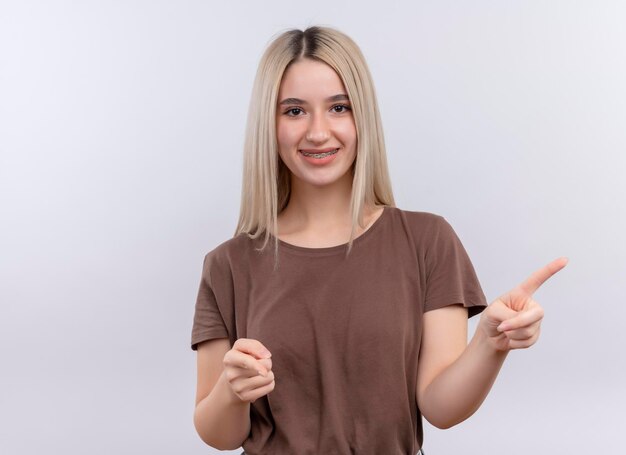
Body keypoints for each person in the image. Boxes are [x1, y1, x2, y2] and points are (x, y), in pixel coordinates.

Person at [190, 26, 568, 455]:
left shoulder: (427, 240)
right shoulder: (228, 264)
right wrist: (231, 392)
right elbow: (217, 433)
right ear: (268, 123)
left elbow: (440, 408)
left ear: (362, 116)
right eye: (294, 111)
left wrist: (490, 343)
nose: (317, 132)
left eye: (339, 107)